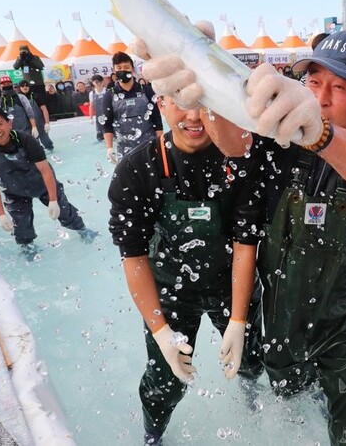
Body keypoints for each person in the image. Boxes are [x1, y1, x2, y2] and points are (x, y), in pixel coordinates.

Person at [140, 29, 346, 445]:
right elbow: (235, 144)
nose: (321, 98)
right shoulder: (277, 146)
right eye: (314, 82)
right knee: (288, 403)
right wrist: (205, 98)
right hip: (280, 318)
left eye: (339, 87)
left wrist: (319, 134)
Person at [107, 91, 264, 446]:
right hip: (171, 292)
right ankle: (154, 434)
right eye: (180, 102)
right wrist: (161, 331)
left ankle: (252, 398)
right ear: (160, 103)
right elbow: (133, 257)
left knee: (253, 360)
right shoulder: (137, 168)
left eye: (205, 103)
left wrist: (238, 320)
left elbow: (245, 243)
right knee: (165, 382)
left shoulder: (239, 160)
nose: (194, 116)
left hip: (232, 285)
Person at [0, 107, 94, 246]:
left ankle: (83, 230)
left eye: (0, 123)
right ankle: (27, 249)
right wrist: (1, 214)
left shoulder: (25, 140)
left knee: (64, 212)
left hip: (41, 184)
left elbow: (45, 170)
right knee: (21, 227)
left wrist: (53, 200)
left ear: (9, 123)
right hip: (14, 191)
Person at [102, 51, 163, 163]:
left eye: (126, 67)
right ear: (114, 71)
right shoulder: (110, 95)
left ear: (132, 69)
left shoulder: (146, 90)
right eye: (119, 68)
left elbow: (157, 120)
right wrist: (109, 148)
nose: (123, 70)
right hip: (124, 149)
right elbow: (107, 124)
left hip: (149, 145)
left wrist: (160, 144)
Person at [18, 80, 54, 150]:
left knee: (46, 141)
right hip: (27, 125)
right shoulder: (18, 98)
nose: (25, 87)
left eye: (26, 85)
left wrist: (47, 123)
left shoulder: (35, 96)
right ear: (20, 87)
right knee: (34, 144)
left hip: (40, 123)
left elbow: (44, 109)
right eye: (22, 86)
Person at [88, 74, 107, 141]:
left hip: (109, 115)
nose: (98, 83)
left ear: (102, 82)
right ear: (93, 83)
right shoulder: (92, 93)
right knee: (100, 137)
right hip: (99, 117)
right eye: (96, 82)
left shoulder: (108, 91)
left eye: (99, 81)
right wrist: (90, 118)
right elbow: (91, 106)